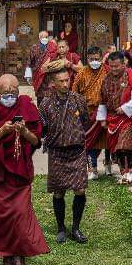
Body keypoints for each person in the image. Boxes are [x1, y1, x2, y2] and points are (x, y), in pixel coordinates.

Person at [0, 75, 48, 265]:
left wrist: (24, 131)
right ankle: (6, 258)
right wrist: (1, 131)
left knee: (20, 215)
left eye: (13, 93)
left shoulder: (26, 106)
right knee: (0, 217)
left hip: (19, 171)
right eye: (5, 94)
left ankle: (20, 258)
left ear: (19, 91)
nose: (10, 97)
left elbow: (36, 141)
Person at [40, 68, 91, 243]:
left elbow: (85, 121)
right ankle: (61, 228)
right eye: (60, 81)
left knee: (80, 189)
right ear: (53, 83)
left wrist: (74, 134)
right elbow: (43, 127)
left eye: (67, 80)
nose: (64, 84)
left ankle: (76, 227)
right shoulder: (46, 104)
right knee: (59, 192)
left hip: (76, 150)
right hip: (57, 151)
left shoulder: (78, 100)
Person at [101, 50, 132, 184]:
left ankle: (129, 171)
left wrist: (125, 108)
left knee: (125, 145)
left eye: (116, 66)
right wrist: (102, 119)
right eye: (111, 66)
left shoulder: (131, 74)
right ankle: (123, 172)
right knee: (116, 149)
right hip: (112, 119)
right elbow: (102, 99)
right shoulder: (106, 78)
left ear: (123, 64)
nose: (113, 69)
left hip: (129, 118)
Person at [73, 46, 109, 180]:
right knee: (88, 142)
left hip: (103, 111)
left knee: (103, 142)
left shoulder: (107, 71)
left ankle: (108, 164)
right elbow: (74, 93)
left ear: (101, 59)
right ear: (87, 59)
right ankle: (92, 168)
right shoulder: (81, 73)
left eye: (97, 59)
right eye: (91, 59)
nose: (94, 61)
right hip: (86, 112)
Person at [25, 31, 57, 99]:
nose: (44, 38)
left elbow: (56, 58)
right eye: (42, 37)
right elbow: (29, 61)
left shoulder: (52, 47)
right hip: (38, 75)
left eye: (46, 37)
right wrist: (28, 75)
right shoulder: (34, 47)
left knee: (50, 96)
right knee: (40, 96)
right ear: (39, 38)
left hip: (49, 76)